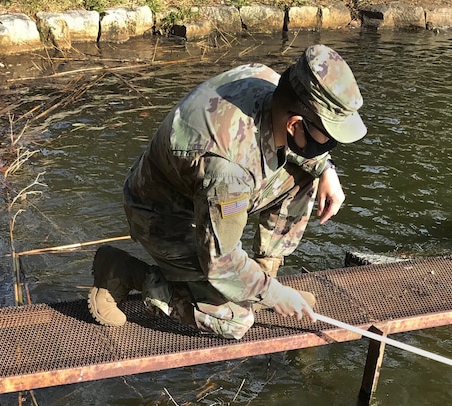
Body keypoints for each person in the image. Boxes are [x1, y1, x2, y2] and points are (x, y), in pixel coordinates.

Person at [87, 44, 366, 339]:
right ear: (295, 123)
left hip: (205, 193)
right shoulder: (228, 171)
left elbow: (301, 150)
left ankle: (261, 277)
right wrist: (274, 295)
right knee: (234, 321)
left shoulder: (268, 82)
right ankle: (125, 272)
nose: (328, 146)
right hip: (163, 216)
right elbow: (220, 262)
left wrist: (327, 168)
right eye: (328, 140)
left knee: (307, 170)